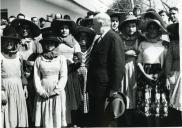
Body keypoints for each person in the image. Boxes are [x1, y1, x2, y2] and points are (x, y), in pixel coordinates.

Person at [86, 12, 125, 127]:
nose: (93, 27)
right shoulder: (99, 39)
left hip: (106, 88)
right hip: (97, 88)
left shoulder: (113, 38)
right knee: (99, 118)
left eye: (94, 24)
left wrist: (114, 88)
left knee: (108, 119)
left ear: (100, 23)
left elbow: (118, 65)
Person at [136, 19, 168, 126]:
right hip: (145, 74)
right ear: (147, 30)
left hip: (159, 74)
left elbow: (167, 62)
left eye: (155, 28)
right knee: (147, 103)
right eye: (150, 28)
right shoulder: (143, 44)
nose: (152, 30)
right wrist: (145, 75)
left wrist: (160, 74)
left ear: (159, 30)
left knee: (158, 103)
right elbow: (139, 62)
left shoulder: (164, 44)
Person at [34, 29, 68, 128]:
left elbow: (63, 76)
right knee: (45, 117)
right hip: (43, 89)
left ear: (55, 44)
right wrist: (41, 92)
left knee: (56, 115)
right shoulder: (39, 59)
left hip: (57, 91)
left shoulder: (61, 58)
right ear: (44, 44)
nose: (49, 45)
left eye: (52, 42)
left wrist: (56, 90)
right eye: (47, 42)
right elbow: (36, 77)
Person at [11, 18, 42, 126]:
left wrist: (31, 66)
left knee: (32, 99)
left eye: (27, 28)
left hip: (32, 74)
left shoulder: (35, 43)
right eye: (22, 28)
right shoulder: (16, 42)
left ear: (30, 30)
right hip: (18, 74)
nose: (24, 30)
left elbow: (39, 58)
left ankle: (33, 122)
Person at [51, 18, 82, 126]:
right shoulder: (55, 41)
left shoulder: (74, 41)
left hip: (70, 72)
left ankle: (71, 121)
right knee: (59, 96)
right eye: (62, 28)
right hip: (57, 72)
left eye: (66, 28)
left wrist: (73, 65)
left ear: (69, 30)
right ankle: (60, 120)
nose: (64, 30)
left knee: (70, 97)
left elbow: (79, 58)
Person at [118, 15, 145, 126]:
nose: (131, 29)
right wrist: (125, 53)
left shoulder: (141, 38)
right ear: (124, 27)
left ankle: (136, 121)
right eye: (128, 26)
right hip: (123, 68)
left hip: (137, 69)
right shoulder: (119, 38)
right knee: (124, 93)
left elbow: (144, 53)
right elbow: (116, 53)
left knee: (135, 94)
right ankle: (124, 119)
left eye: (133, 26)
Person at [1, 26, 29, 128]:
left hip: (18, 87)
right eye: (6, 41)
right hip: (4, 88)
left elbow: (22, 73)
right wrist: (1, 91)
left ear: (15, 42)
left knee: (18, 112)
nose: (9, 43)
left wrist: (25, 87)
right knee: (7, 113)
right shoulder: (0, 56)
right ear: (2, 42)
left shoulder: (19, 56)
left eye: (11, 41)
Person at [165, 23, 182, 126]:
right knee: (177, 101)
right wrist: (168, 76)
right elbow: (168, 60)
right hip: (176, 74)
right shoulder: (174, 43)